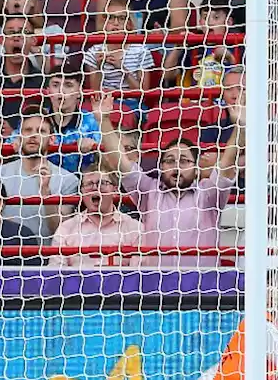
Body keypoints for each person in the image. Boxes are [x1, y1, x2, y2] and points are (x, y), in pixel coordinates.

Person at [97, 92, 242, 267]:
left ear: (196, 170)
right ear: (161, 167)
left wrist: (240, 127)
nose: (177, 166)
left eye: (184, 161)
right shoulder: (148, 191)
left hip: (203, 287)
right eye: (170, 160)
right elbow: (119, 162)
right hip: (155, 287)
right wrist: (104, 120)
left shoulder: (208, 194)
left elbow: (227, 164)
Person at [0, 112, 79, 238]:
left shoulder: (68, 180)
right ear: (19, 137)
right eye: (28, 130)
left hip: (47, 255)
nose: (33, 135)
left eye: (41, 131)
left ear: (52, 139)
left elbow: (59, 231)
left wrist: (46, 191)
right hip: (4, 254)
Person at [48, 168, 141, 267]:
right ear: (82, 192)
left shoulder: (135, 229)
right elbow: (56, 274)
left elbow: (138, 276)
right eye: (89, 184)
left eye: (102, 183)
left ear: (115, 190)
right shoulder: (66, 229)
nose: (95, 188)